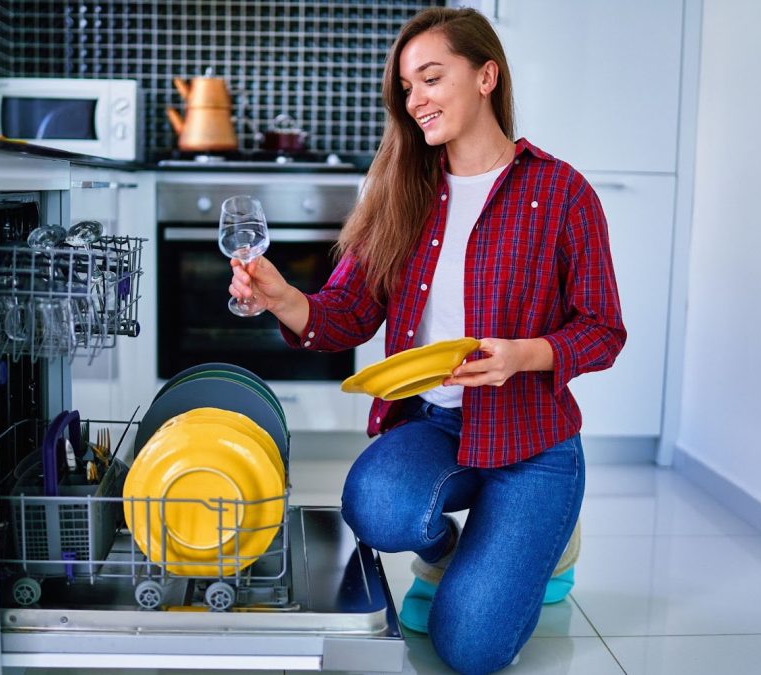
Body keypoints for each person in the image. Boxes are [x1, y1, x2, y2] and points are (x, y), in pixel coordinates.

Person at [228, 7, 625, 674]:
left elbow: (603, 329)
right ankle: (453, 554)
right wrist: (283, 298)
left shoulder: (561, 193)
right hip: (437, 425)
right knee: (374, 503)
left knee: (469, 648)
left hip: (534, 441)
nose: (415, 101)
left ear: (486, 76)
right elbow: (346, 314)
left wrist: (521, 355)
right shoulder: (400, 190)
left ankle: (551, 545)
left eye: (431, 78)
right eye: (407, 88)